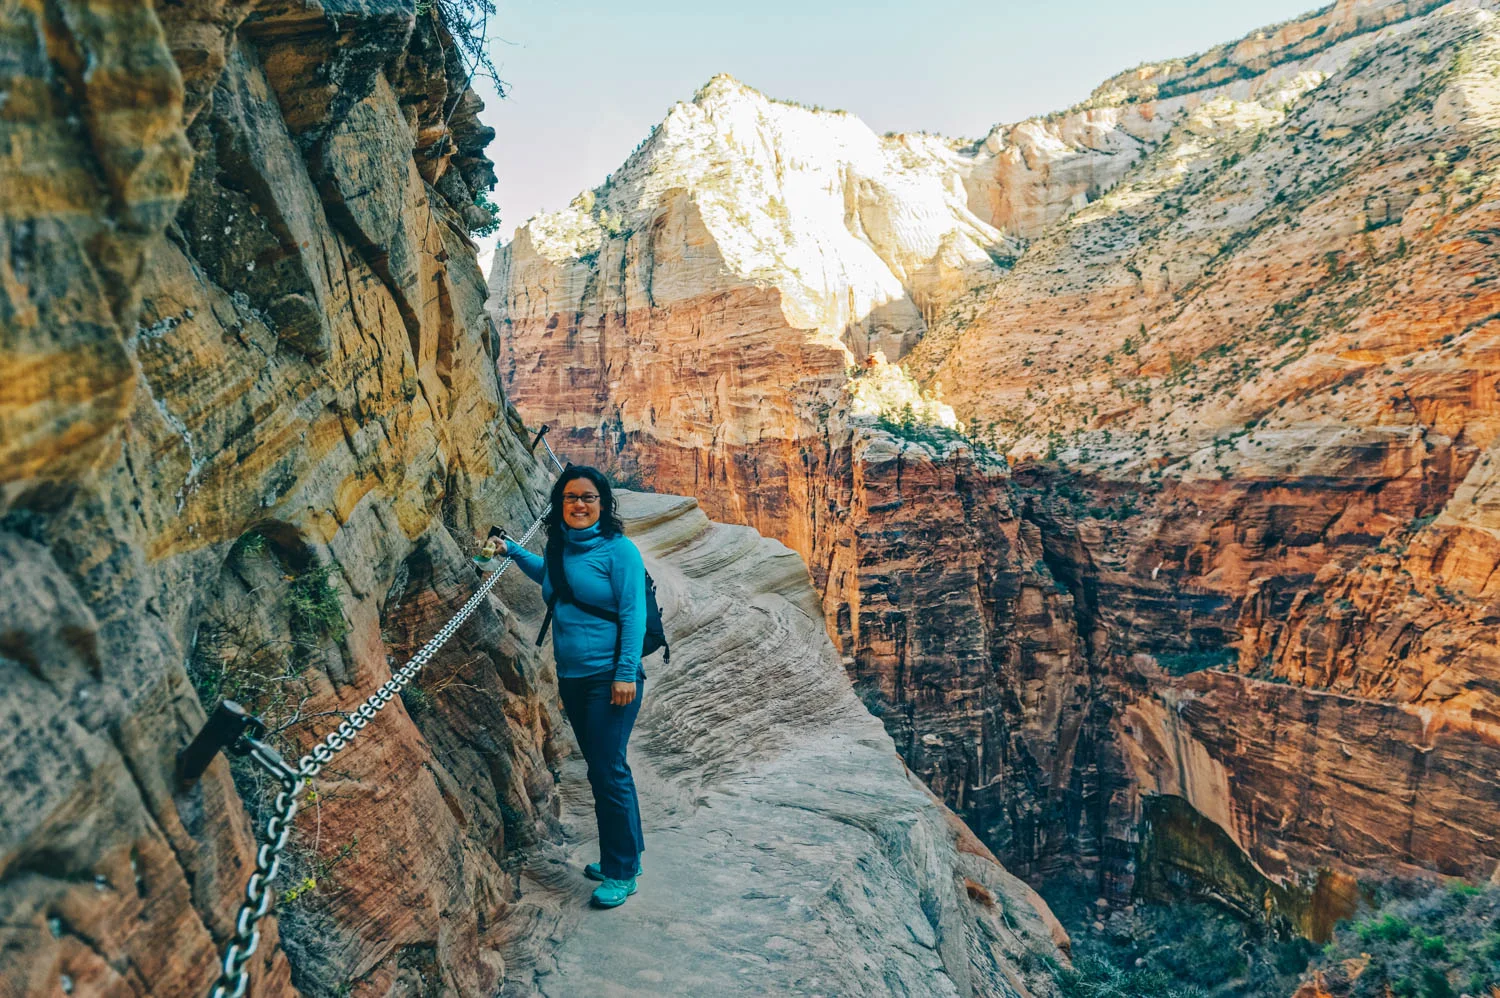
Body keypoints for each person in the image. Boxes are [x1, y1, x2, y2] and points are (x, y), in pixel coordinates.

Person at [492, 467, 647, 909]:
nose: (580, 505)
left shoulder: (620, 552)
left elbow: (633, 616)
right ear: (560, 504)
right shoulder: (561, 550)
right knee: (608, 769)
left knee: (607, 771)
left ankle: (620, 871)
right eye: (571, 498)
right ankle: (626, 857)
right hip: (574, 679)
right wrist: (510, 551)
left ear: (604, 505)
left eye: (589, 498)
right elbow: (552, 578)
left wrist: (624, 672)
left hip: (611, 679)